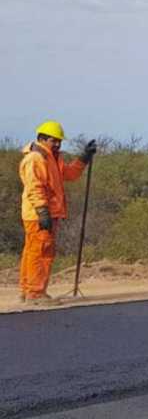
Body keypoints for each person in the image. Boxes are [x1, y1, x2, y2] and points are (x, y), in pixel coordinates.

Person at [18, 121, 96, 306]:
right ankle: (35, 294)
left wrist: (84, 158)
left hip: (45, 213)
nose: (58, 144)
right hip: (39, 214)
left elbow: (69, 174)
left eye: (59, 141)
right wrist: (42, 210)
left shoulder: (52, 157)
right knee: (41, 253)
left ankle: (28, 291)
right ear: (43, 138)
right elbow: (34, 187)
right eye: (55, 140)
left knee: (33, 252)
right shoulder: (36, 158)